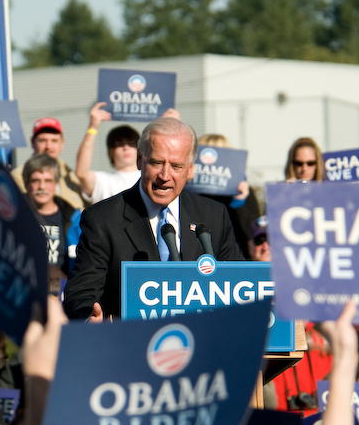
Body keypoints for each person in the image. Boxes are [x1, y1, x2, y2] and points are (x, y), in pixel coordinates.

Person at [62, 116, 243, 321]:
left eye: (176, 166)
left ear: (191, 169)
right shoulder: (102, 219)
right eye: (157, 163)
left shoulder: (213, 215)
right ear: (140, 160)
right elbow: (80, 294)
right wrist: (87, 318)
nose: (165, 175)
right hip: (130, 344)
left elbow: (238, 283)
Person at [22, 154, 81, 279]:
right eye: (35, 181)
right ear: (26, 184)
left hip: (61, 289)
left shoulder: (74, 219)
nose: (42, 187)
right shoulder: (14, 215)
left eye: (48, 181)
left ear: (56, 184)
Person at [10, 117, 86, 211]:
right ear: (33, 142)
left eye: (54, 141)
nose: (48, 147)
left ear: (62, 143)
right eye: (43, 141)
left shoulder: (69, 174)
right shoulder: (18, 176)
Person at [74, 102, 141, 205]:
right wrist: (93, 127)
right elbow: (81, 173)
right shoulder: (103, 181)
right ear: (111, 152)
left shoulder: (149, 178)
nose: (125, 147)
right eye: (119, 144)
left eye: (131, 144)